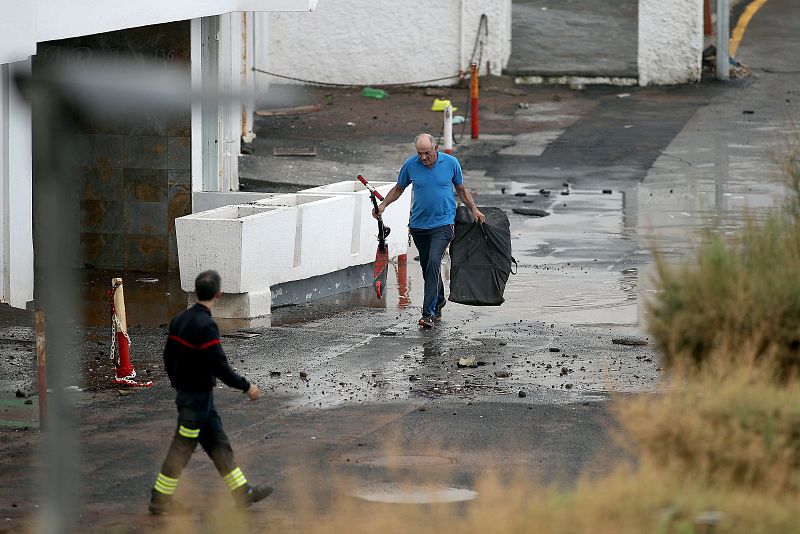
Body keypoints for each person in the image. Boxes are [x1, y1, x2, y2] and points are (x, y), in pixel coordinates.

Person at [149, 270, 272, 515]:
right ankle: (160, 500)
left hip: (197, 398)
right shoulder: (206, 326)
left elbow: (168, 356)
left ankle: (243, 493)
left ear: (195, 292)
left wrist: (178, 382)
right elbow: (219, 366)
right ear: (219, 294)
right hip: (195, 401)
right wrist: (246, 386)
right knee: (181, 449)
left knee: (218, 444)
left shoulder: (180, 319)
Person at [373, 133, 485, 328]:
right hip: (418, 225)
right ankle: (439, 300)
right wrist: (383, 206)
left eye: (427, 153)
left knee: (434, 261)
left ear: (436, 149)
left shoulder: (451, 163)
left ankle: (428, 313)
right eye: (419, 154)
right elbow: (399, 188)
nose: (423, 158)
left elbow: (461, 189)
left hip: (443, 225)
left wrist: (474, 209)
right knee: (428, 268)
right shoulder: (410, 165)